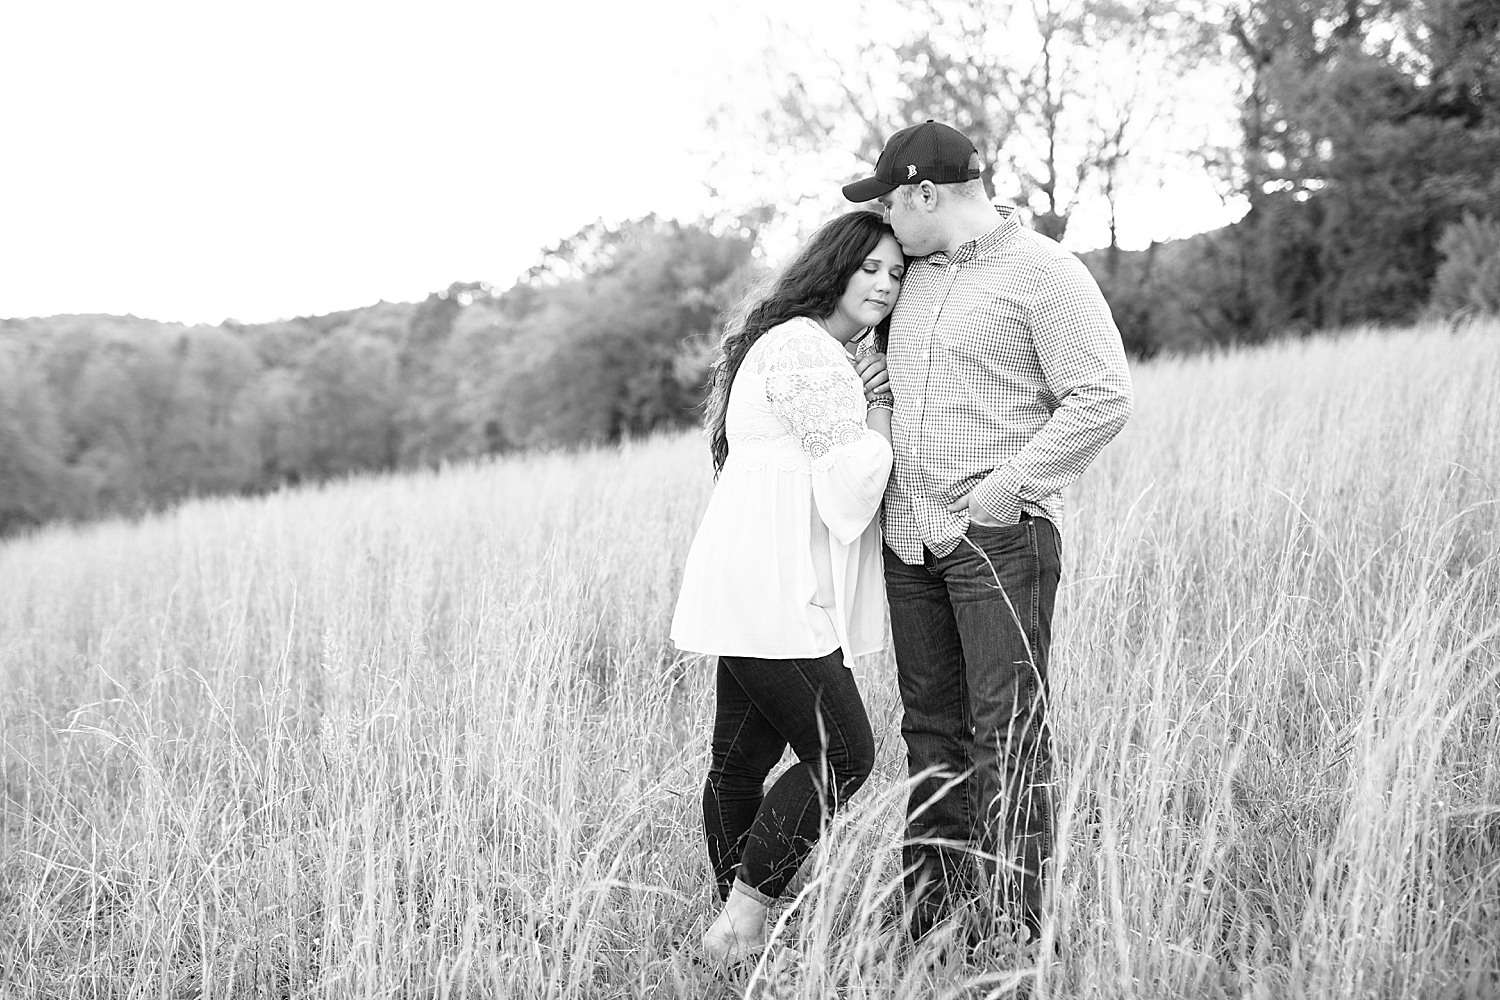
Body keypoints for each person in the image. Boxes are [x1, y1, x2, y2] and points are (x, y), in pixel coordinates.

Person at [841, 120, 1134, 945]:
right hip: (910, 542)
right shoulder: (914, 278)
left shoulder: (1045, 273)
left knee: (1007, 733)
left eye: (890, 201)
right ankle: (931, 918)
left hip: (999, 539)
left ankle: (1009, 928)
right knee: (930, 733)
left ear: (925, 193)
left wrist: (1006, 492)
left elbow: (1103, 396)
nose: (885, 218)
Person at [670, 210, 904, 965]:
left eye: (897, 274)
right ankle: (741, 922)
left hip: (746, 575)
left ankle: (729, 934)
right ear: (832, 266)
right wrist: (881, 408)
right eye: (870, 265)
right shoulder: (807, 350)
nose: (884, 283)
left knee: (739, 760)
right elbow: (851, 485)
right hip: (770, 587)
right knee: (844, 757)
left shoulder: (797, 344)